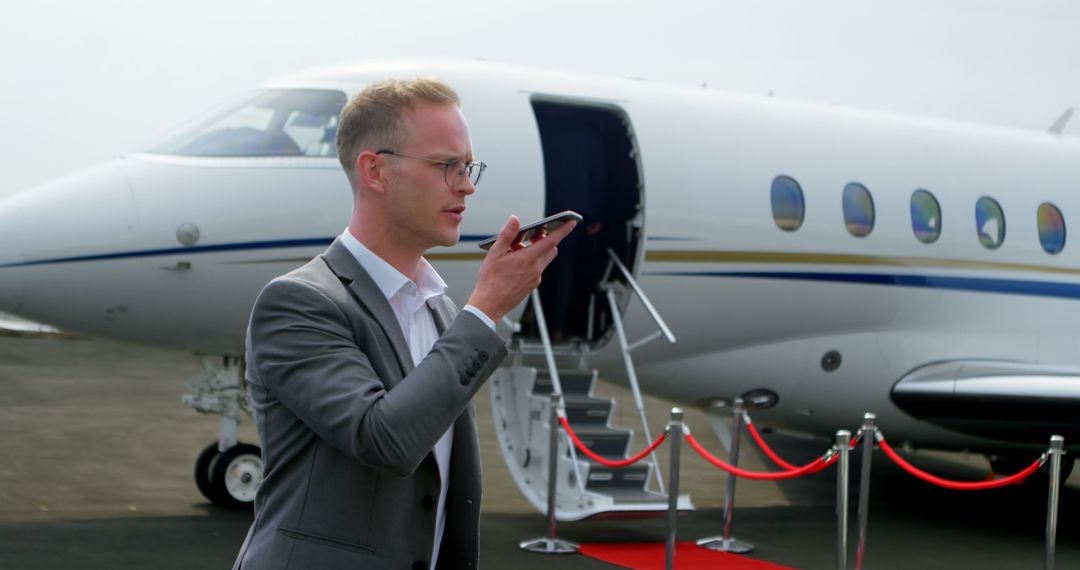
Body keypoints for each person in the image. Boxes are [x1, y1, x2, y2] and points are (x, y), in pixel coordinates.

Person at [232, 78, 577, 569]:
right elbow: (385, 441)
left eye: (468, 165)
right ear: (375, 171)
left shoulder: (439, 309)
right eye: (446, 166)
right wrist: (486, 310)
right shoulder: (298, 302)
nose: (467, 184)